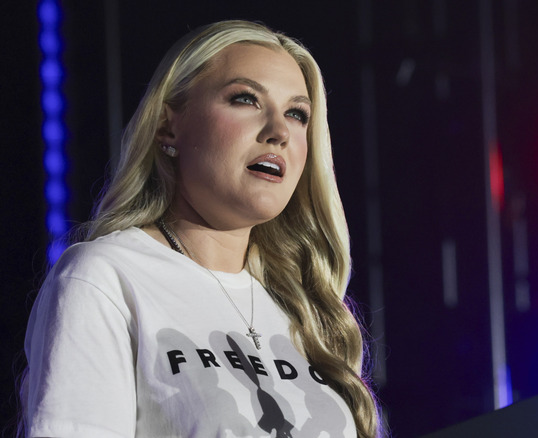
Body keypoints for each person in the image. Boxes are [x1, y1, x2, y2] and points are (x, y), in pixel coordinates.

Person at [22, 20, 381, 438]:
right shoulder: (106, 277)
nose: (279, 132)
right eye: (246, 99)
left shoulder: (307, 308)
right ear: (168, 126)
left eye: (297, 114)